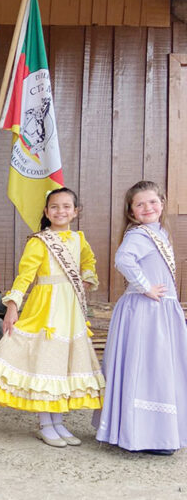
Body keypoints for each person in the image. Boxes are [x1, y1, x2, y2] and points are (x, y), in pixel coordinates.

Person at [0, 187, 105, 448]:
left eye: (66, 206)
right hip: (46, 308)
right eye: (54, 206)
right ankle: (45, 423)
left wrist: (87, 278)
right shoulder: (39, 241)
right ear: (46, 211)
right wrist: (12, 306)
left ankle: (59, 422)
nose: (60, 211)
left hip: (70, 309)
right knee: (46, 363)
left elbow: (89, 261)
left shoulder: (78, 239)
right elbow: (25, 276)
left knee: (63, 364)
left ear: (75, 212)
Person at [95, 181, 187, 455]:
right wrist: (145, 286)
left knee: (160, 370)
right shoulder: (139, 235)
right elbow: (123, 260)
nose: (148, 208)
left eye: (153, 202)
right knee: (148, 369)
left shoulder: (159, 233)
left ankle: (158, 432)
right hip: (146, 312)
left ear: (162, 204)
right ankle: (144, 435)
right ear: (132, 212)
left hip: (160, 311)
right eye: (140, 204)